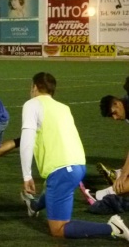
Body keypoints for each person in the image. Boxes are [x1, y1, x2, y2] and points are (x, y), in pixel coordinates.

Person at [19, 72, 129, 241]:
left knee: (58, 229)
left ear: (34, 87)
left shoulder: (32, 104)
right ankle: (34, 205)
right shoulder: (64, 108)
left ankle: (113, 228)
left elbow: (27, 139)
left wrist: (27, 175)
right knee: (52, 186)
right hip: (77, 166)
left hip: (61, 170)